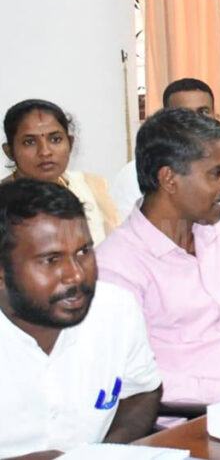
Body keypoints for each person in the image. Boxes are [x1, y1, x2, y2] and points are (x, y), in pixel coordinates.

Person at [96, 108, 220, 405]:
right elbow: (130, 375)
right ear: (169, 179)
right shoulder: (115, 266)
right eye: (217, 173)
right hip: (196, 416)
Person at [0, 179, 161, 458]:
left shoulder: (115, 309)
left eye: (84, 252)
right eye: (51, 260)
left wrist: (103, 452)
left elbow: (142, 392)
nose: (76, 274)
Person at [109, 78, 220, 273]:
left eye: (203, 113)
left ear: (216, 116)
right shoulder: (132, 175)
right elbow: (126, 244)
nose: (196, 122)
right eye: (184, 115)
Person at [3, 99, 119, 245]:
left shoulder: (91, 188)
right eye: (30, 142)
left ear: (70, 143)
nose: (45, 152)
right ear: (9, 151)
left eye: (55, 139)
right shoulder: (4, 201)